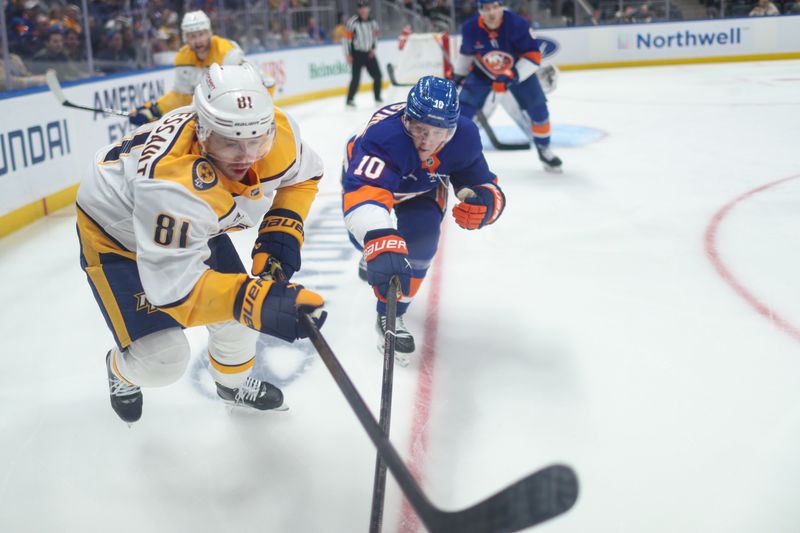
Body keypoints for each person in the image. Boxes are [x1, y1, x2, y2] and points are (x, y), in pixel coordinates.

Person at [76, 64, 326, 423]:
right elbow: (174, 291)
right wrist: (255, 300)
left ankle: (231, 384)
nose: (246, 156)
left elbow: (303, 176)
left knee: (238, 320)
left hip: (187, 223)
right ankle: (120, 369)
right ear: (202, 131)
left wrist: (281, 229)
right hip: (117, 235)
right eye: (230, 141)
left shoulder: (278, 133)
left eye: (257, 139)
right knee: (162, 361)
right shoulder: (171, 182)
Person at [341, 76, 505, 360]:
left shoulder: (465, 136)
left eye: (438, 131)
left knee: (423, 241)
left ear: (452, 129)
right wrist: (377, 239)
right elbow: (365, 196)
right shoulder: (384, 136)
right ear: (407, 119)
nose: (426, 140)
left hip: (422, 190)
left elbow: (482, 181)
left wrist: (486, 203)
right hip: (370, 182)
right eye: (419, 128)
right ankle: (365, 254)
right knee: (371, 244)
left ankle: (390, 315)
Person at [452, 0, 563, 173]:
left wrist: (511, 75)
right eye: (487, 9)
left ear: (501, 8)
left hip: (517, 72)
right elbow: (467, 54)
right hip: (483, 72)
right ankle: (456, 155)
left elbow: (533, 57)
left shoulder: (517, 24)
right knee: (463, 110)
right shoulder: (470, 27)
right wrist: (457, 76)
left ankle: (544, 149)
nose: (491, 13)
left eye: (495, 8)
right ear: (480, 11)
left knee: (539, 109)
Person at [128, 10, 247, 125]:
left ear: (209, 33)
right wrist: (154, 109)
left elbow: (247, 87)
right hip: (206, 119)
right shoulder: (183, 57)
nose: (197, 41)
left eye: (201, 34)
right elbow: (181, 96)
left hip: (234, 115)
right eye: (192, 36)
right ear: (186, 38)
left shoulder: (228, 53)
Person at [343, 0, 382, 108]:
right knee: (356, 78)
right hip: (357, 54)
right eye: (360, 8)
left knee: (378, 76)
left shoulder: (373, 23)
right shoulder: (353, 22)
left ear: (369, 8)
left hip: (369, 53)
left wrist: (374, 49)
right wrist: (348, 54)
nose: (363, 10)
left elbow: (375, 37)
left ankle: (377, 98)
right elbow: (347, 40)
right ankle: (349, 100)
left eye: (365, 7)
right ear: (358, 10)